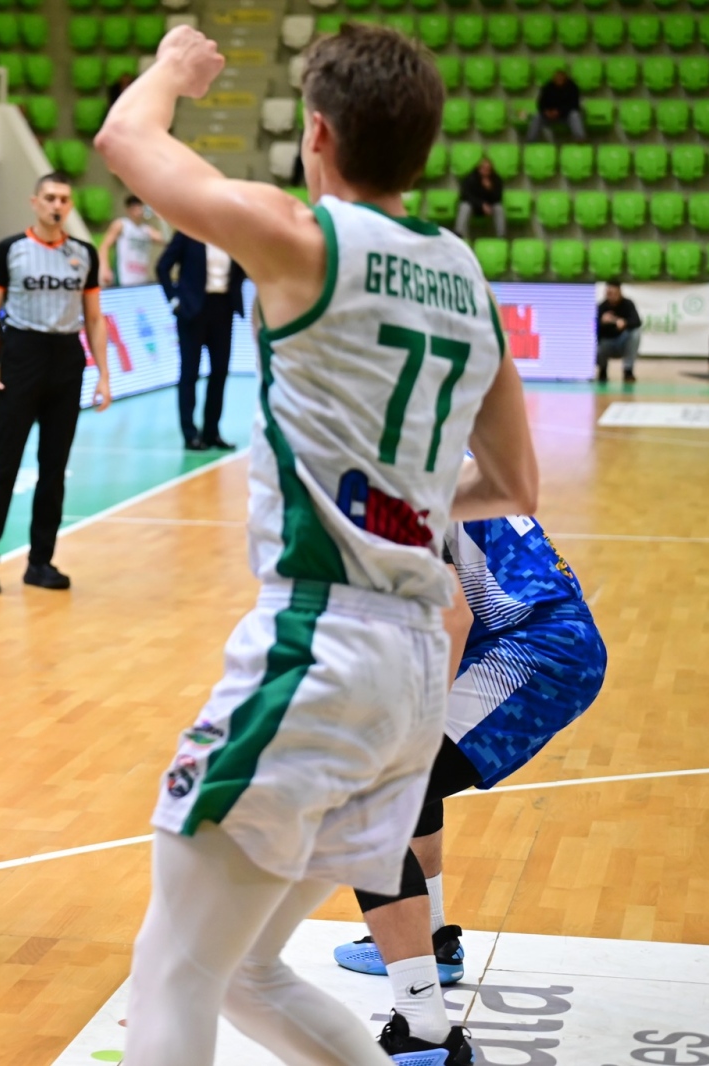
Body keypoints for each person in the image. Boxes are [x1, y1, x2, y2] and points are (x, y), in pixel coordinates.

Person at [96, 23, 538, 1066]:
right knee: (246, 969)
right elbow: (515, 482)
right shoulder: (465, 275)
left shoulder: (306, 239)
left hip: (319, 646)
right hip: (412, 673)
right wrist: (403, 508)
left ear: (320, 134)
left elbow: (125, 140)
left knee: (171, 969)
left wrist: (171, 69)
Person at [332, 514, 605, 1044]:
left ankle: (423, 1032)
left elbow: (449, 615)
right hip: (543, 639)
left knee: (366, 800)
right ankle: (428, 939)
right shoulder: (434, 471)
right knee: (407, 778)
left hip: (534, 654)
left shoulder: (401, 486)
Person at [0, 173, 111, 595]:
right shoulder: (11, 249)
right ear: (35, 202)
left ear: (70, 205)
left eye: (64, 199)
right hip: (22, 354)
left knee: (54, 467)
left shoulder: (84, 253)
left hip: (67, 358)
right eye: (50, 197)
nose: (57, 205)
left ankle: (40, 562)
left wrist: (104, 374)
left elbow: (95, 317)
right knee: (3, 463)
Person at [155, 231, 245, 450]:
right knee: (189, 373)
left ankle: (212, 432)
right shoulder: (188, 233)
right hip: (192, 310)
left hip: (223, 307)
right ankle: (190, 433)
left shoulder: (233, 235)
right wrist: (174, 300)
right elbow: (162, 267)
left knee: (220, 372)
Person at [99, 195, 166, 287]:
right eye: (134, 207)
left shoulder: (147, 230)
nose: (137, 210)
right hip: (123, 276)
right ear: (128, 210)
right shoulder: (121, 224)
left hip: (140, 277)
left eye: (139, 206)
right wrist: (104, 268)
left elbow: (167, 240)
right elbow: (104, 246)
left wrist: (161, 218)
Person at [597, 281, 641, 384]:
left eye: (614, 293)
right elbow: (592, 330)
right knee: (597, 346)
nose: (612, 296)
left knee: (635, 333)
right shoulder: (601, 307)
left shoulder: (628, 304)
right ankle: (602, 370)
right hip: (606, 343)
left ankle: (628, 370)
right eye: (609, 293)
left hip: (622, 342)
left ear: (620, 292)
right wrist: (601, 322)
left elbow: (637, 321)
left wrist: (625, 323)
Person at [527, 67, 585, 143]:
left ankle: (580, 139)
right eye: (557, 78)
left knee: (575, 115)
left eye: (561, 78)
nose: (559, 80)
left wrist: (559, 112)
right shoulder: (547, 87)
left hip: (566, 116)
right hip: (549, 115)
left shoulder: (572, 88)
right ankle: (530, 141)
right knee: (537, 116)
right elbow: (541, 103)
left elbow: (574, 105)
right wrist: (546, 112)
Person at [454, 157, 504, 240]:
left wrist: (490, 189)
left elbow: (498, 198)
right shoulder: (470, 178)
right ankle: (460, 236)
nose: (485, 171)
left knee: (499, 208)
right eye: (483, 168)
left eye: (488, 169)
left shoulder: (496, 180)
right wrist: (481, 205)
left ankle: (501, 237)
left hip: (489, 207)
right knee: (464, 206)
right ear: (478, 168)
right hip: (474, 206)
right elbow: (466, 196)